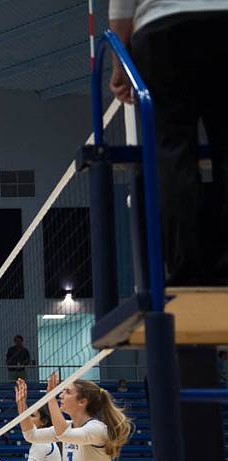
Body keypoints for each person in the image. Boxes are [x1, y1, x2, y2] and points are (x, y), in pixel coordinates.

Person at [109, 0, 228, 287]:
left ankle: (186, 269)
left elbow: (122, 7)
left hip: (164, 31)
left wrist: (119, 65)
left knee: (172, 154)